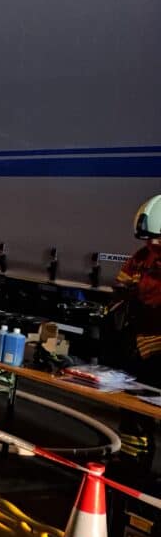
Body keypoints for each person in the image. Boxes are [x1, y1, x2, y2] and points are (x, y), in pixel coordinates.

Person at [112, 194, 161, 477]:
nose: (151, 245)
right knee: (133, 412)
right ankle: (133, 468)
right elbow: (121, 294)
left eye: (156, 239)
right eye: (148, 239)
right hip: (139, 352)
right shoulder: (140, 260)